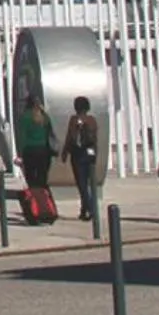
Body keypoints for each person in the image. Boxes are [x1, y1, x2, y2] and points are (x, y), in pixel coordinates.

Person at [61, 96, 100, 227]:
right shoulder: (92, 120)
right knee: (88, 182)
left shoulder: (74, 119)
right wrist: (95, 154)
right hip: (90, 153)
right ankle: (84, 210)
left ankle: (89, 207)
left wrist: (65, 152)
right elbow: (95, 138)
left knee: (81, 183)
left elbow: (69, 137)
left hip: (78, 154)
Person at [14, 94, 55, 192]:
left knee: (30, 177)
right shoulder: (45, 116)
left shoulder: (25, 117)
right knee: (42, 176)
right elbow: (51, 133)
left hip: (29, 150)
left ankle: (34, 197)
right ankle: (43, 198)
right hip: (44, 150)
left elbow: (22, 137)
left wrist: (19, 154)